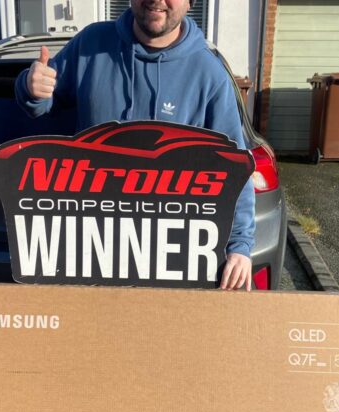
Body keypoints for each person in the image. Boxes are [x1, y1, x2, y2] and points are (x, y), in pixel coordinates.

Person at [15, 0, 256, 290]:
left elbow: (233, 163)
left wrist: (240, 245)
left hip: (169, 253)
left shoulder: (209, 73)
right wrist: (30, 87)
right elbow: (43, 97)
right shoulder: (91, 44)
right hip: (90, 244)